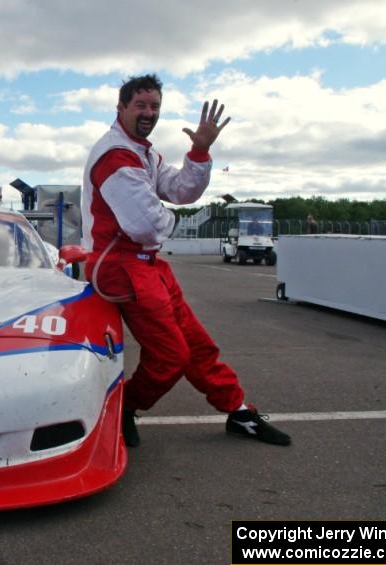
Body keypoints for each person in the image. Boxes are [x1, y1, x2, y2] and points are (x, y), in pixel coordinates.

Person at [81, 74, 290, 447]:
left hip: (146, 264)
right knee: (172, 355)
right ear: (121, 108)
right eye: (141, 106)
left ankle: (238, 411)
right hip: (121, 266)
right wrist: (169, 219)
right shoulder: (116, 154)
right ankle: (123, 408)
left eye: (155, 106)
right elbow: (146, 224)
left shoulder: (143, 151)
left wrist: (199, 152)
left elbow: (181, 190)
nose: (149, 113)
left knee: (197, 344)